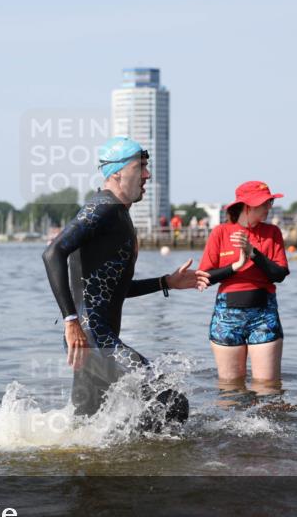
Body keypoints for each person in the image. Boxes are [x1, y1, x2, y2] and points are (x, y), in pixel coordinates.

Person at [42, 137, 210, 427]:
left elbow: (111, 288)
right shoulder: (103, 207)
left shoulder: (117, 213)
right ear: (117, 172)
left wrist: (165, 282)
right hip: (93, 339)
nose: (147, 175)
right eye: (140, 167)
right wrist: (71, 322)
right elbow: (53, 253)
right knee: (170, 400)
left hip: (94, 340)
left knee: (84, 429)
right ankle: (153, 470)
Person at [199, 181, 289, 385]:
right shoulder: (220, 232)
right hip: (227, 318)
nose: (269, 207)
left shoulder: (272, 232)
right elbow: (205, 277)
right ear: (248, 206)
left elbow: (279, 274)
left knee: (268, 385)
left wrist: (253, 253)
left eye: (270, 202)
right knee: (230, 387)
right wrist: (236, 266)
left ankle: (265, 419)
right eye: (265, 203)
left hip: (264, 315)